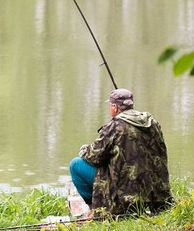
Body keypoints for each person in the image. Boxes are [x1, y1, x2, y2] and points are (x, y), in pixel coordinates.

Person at [69, 88, 171, 217]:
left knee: (76, 164)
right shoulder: (152, 123)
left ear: (115, 107)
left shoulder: (115, 126)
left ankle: (95, 209)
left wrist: (84, 148)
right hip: (156, 191)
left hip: (126, 192)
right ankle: (147, 207)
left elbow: (94, 157)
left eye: (110, 106)